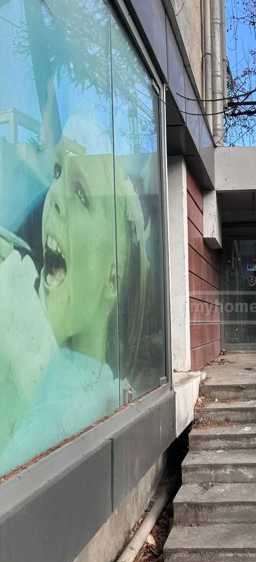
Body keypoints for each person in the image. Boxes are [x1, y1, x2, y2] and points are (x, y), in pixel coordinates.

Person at [0, 140, 148, 475]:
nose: (54, 196)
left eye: (80, 194)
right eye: (57, 174)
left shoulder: (77, 408)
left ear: (113, 280)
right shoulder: (48, 363)